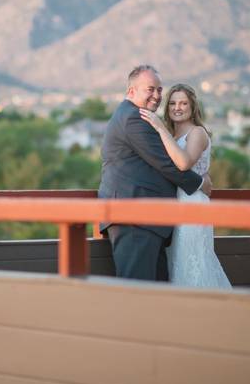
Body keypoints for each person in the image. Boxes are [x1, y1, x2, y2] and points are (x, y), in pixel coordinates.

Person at [98, 65, 211, 281]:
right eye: (150, 89)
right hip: (133, 218)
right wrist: (199, 183)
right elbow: (166, 164)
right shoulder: (133, 119)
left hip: (147, 220)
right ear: (131, 91)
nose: (157, 95)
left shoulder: (136, 116)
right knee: (137, 290)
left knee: (154, 290)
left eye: (159, 90)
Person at [138, 83, 232, 289]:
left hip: (193, 205)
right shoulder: (173, 137)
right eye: (172, 103)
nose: (177, 108)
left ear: (192, 107)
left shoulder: (196, 133)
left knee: (194, 262)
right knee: (177, 262)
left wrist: (159, 127)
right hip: (174, 206)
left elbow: (183, 163)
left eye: (183, 103)